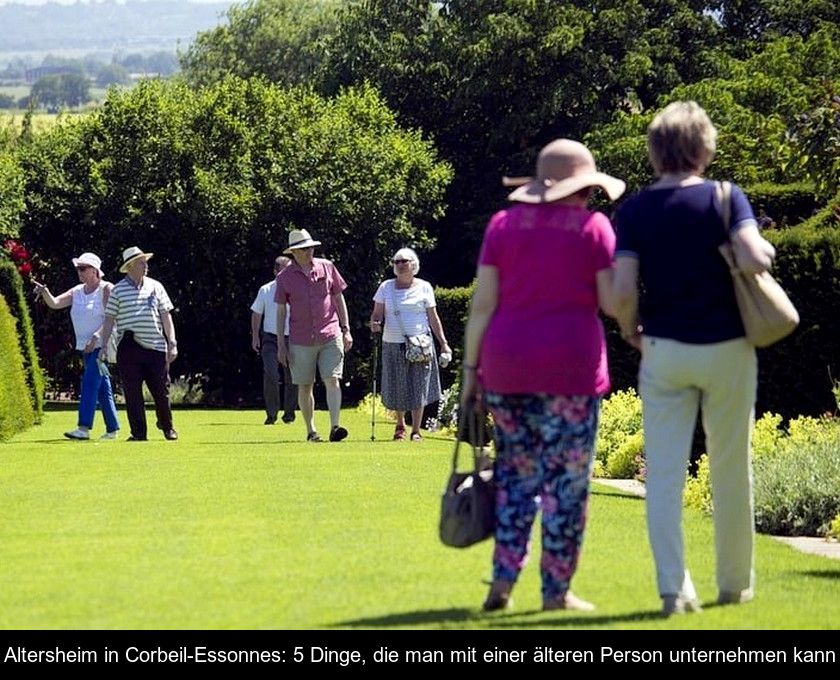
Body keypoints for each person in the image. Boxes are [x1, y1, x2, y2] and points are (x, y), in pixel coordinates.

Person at [613, 101, 774, 616]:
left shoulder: (634, 211)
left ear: (655, 150)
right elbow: (752, 256)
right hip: (728, 346)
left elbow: (619, 291)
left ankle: (672, 590)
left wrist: (629, 329)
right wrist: (763, 251)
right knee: (731, 467)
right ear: (704, 147)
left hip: (664, 348)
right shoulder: (727, 199)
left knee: (662, 474)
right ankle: (732, 585)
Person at [461, 139, 625, 612]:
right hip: (571, 370)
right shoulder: (595, 229)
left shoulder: (502, 226)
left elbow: (483, 305)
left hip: (507, 367)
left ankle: (502, 581)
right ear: (580, 189)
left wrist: (471, 371)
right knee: (566, 486)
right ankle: (556, 591)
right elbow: (613, 304)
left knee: (515, 479)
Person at [275, 229, 352, 443]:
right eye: (304, 249)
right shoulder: (284, 277)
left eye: (310, 248)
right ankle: (311, 430)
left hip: (330, 332)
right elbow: (281, 311)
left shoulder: (327, 267)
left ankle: (335, 426)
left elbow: (338, 298)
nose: (309, 251)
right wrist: (281, 344)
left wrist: (346, 329)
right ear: (294, 252)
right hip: (300, 339)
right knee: (305, 385)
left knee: (332, 379)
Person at [33, 252, 120, 440]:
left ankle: (83, 427)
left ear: (95, 270)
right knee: (102, 387)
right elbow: (55, 303)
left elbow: (111, 318)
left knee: (88, 384)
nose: (79, 272)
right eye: (78, 268)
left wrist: (96, 337)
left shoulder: (106, 289)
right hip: (85, 348)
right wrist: (45, 292)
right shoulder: (77, 291)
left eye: (83, 268)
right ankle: (112, 429)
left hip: (101, 346)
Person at [368, 247, 452, 441]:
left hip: (420, 343)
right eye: (396, 262)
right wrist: (375, 322)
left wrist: (443, 343)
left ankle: (416, 430)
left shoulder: (424, 287)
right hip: (393, 343)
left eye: (403, 261)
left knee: (419, 385)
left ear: (413, 265)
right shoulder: (385, 287)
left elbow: (433, 317)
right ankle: (400, 425)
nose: (399, 265)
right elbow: (377, 312)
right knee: (398, 385)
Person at [100, 246, 179, 442]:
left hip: (155, 347)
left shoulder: (156, 286)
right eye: (142, 263)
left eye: (146, 262)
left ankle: (167, 426)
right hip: (129, 346)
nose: (146, 266)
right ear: (131, 266)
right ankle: (138, 433)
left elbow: (165, 315)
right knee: (133, 392)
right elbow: (109, 319)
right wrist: (103, 346)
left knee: (162, 391)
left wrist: (172, 342)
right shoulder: (118, 290)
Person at [251, 255, 296, 425]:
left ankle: (289, 413)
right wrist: (255, 335)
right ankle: (271, 414)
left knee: (292, 376)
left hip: (291, 337)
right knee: (271, 373)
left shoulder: (295, 290)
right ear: (275, 272)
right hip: (270, 338)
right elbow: (256, 313)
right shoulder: (266, 290)